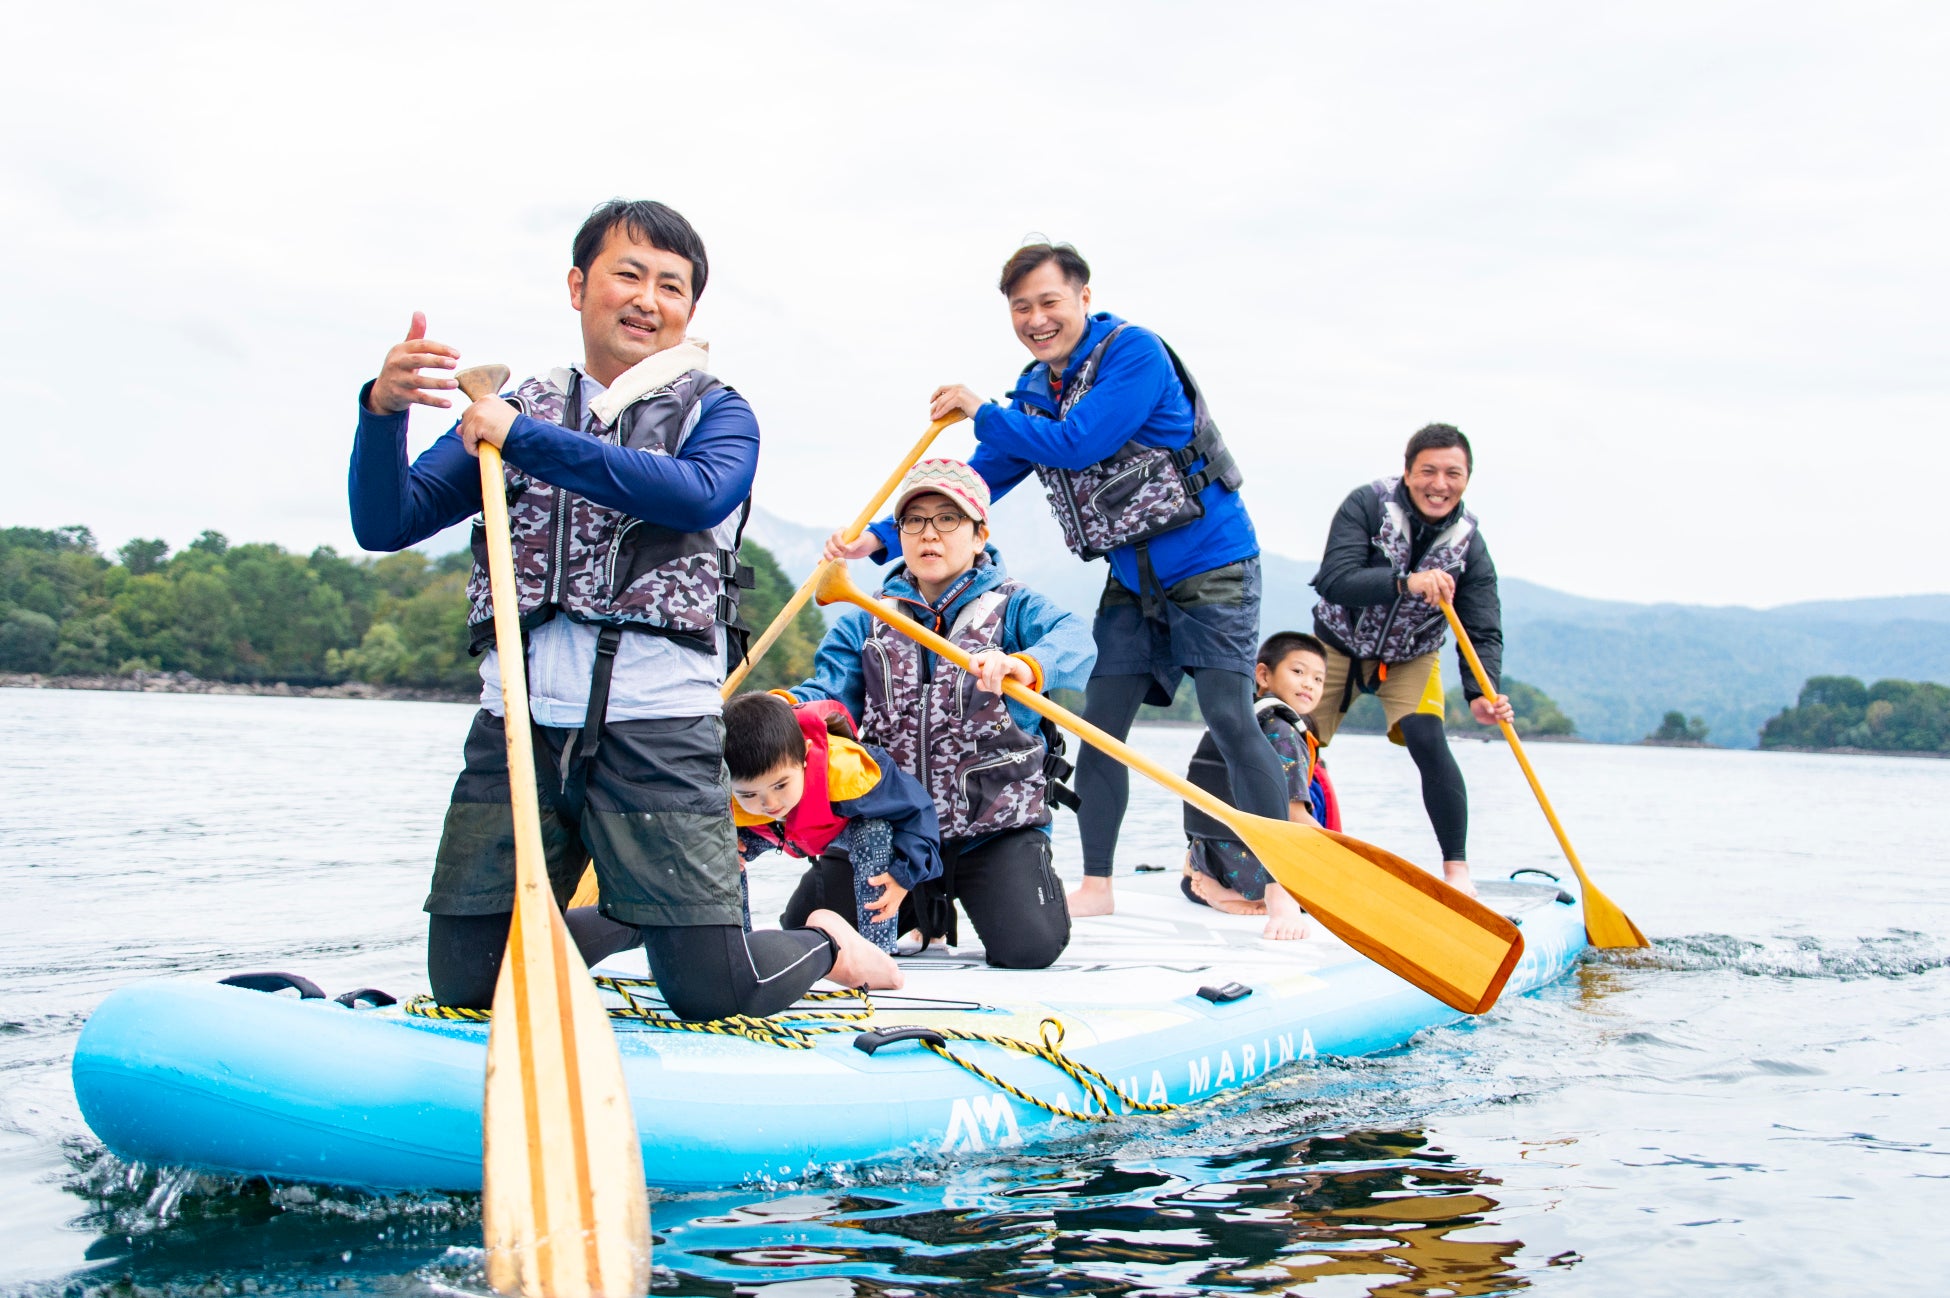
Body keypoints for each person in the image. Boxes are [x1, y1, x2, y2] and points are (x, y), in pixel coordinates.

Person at [348, 198, 895, 1018]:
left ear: (690, 310)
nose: (648, 299)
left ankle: (828, 940)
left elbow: (698, 494)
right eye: (627, 275)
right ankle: (630, 919)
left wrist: (519, 437)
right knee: (467, 987)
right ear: (578, 286)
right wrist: (382, 414)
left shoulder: (718, 411)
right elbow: (384, 521)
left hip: (658, 731)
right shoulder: (515, 406)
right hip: (519, 731)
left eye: (670, 286)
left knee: (715, 992)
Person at [827, 242, 1284, 919]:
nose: (1037, 319)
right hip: (1132, 577)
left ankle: (1279, 889)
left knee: (1228, 715)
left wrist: (981, 408)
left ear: (1083, 299)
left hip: (1212, 562)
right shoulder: (1035, 392)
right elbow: (980, 482)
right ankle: (1098, 885)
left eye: (1049, 303)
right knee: (1100, 724)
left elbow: (1081, 443)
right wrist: (876, 540)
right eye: (1021, 308)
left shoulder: (1136, 356)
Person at [787, 459, 1095, 968]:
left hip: (994, 831)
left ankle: (965, 898)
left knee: (1031, 948)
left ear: (979, 535)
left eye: (948, 519)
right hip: (892, 831)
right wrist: (784, 709)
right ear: (902, 534)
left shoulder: (1017, 607)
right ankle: (918, 907)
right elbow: (828, 696)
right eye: (915, 520)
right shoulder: (865, 617)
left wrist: (1025, 663)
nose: (930, 533)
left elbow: (1076, 639)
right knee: (803, 931)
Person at [1309, 423, 1513, 896]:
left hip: (1412, 655)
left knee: (1428, 739)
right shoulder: (1366, 504)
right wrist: (1406, 582)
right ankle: (1278, 851)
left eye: (1452, 474)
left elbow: (1481, 628)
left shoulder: (1470, 544)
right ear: (1406, 472)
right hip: (1337, 643)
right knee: (1297, 744)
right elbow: (1334, 579)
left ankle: (1457, 873)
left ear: (1466, 480)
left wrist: (1482, 693)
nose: (1439, 485)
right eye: (1428, 471)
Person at [724, 692, 942, 953]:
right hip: (775, 833)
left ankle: (877, 950)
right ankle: (735, 949)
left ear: (805, 754)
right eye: (748, 794)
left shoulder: (848, 771)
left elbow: (917, 811)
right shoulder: (714, 787)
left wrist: (903, 876)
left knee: (874, 832)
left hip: (841, 826)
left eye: (780, 785)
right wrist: (719, 837)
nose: (770, 803)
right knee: (720, 852)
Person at [1181, 631, 1329, 940]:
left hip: (1206, 854)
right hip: (1249, 871)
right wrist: (1344, 862)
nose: (1308, 684)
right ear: (1262, 675)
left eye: (1318, 679)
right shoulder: (1283, 732)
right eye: (1298, 672)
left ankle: (1209, 883)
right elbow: (1294, 817)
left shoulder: (1238, 721)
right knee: (1332, 881)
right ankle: (1249, 894)